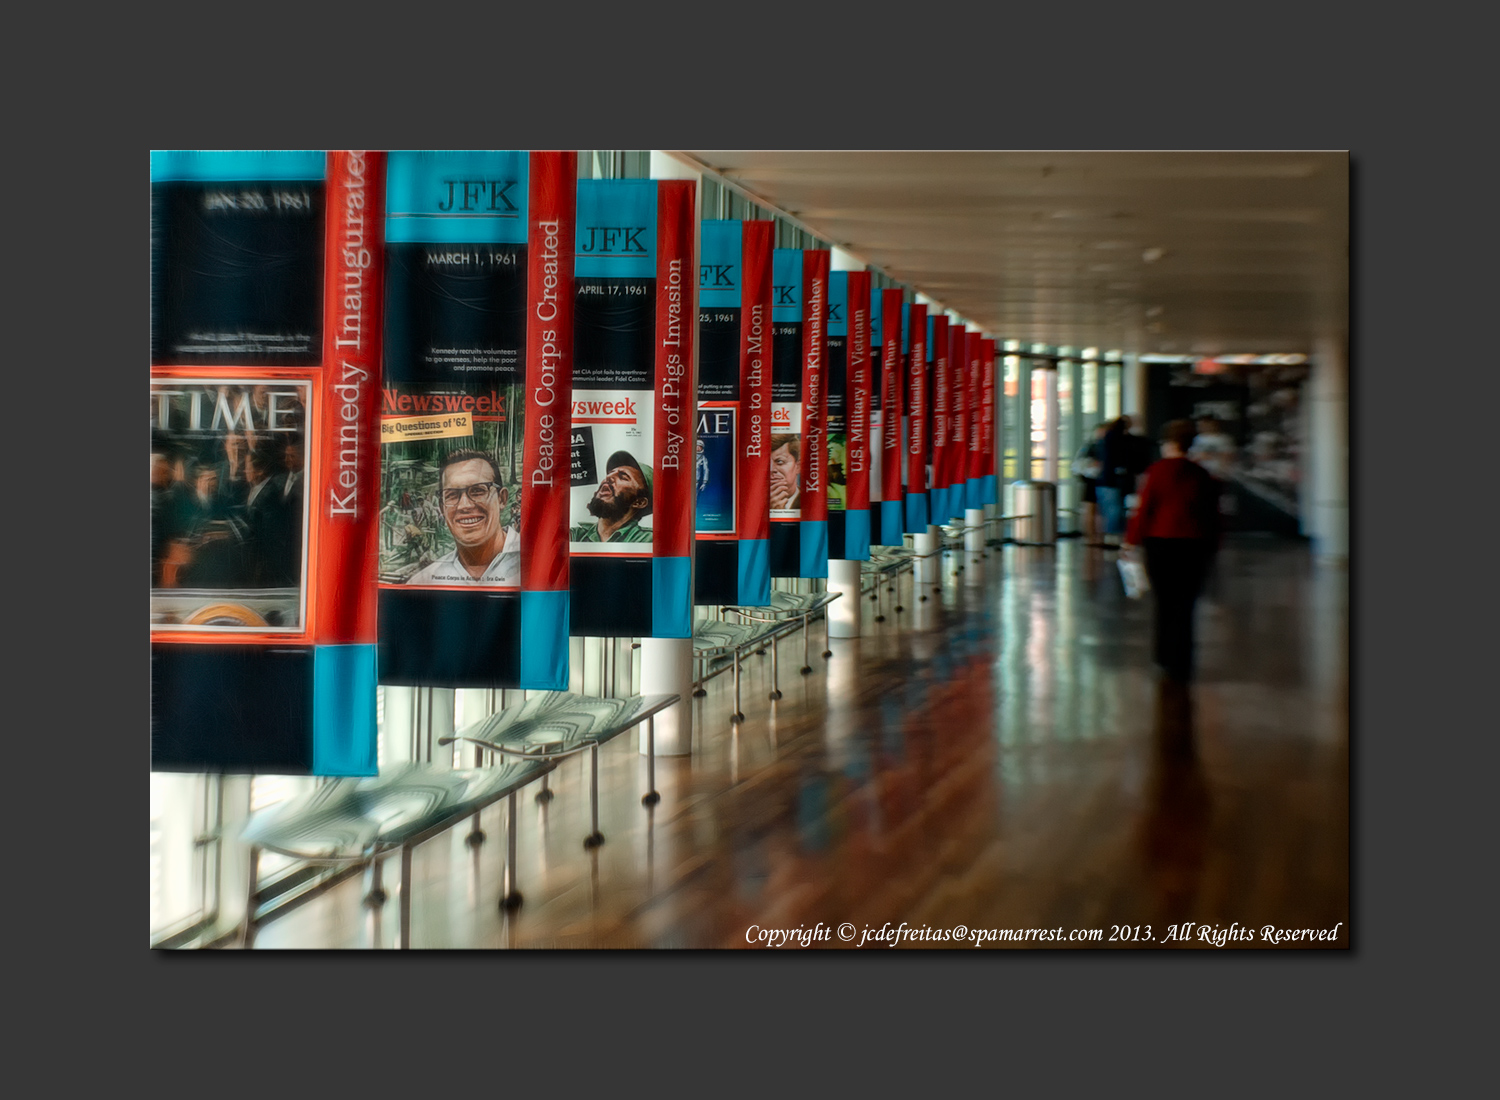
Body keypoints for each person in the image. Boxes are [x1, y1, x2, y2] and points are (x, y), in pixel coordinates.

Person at [1123, 419, 1221, 683]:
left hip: (1160, 544)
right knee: (1186, 604)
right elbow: (1212, 514)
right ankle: (1183, 659)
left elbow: (1144, 510)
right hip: (1194, 546)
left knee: (1165, 603)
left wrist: (1130, 541)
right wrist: (1213, 546)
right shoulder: (1201, 474)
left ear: (1169, 443)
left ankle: (1163, 657)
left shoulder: (1157, 471)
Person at [407, 449, 519, 584]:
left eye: (478, 491)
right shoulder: (424, 582)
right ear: (442, 508)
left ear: (502, 499)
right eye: (452, 495)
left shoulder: (537, 562)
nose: (464, 505)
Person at [570, 450, 653, 544]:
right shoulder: (574, 536)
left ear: (639, 502)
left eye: (623, 477)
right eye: (610, 473)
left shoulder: (649, 540)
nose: (608, 477)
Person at [1074, 422, 1108, 545]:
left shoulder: (1090, 446)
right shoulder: (1096, 447)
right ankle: (1092, 536)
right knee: (1092, 509)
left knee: (1093, 509)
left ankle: (1093, 537)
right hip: (1094, 481)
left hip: (1091, 481)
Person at [769, 433, 802, 510]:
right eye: (765, 464)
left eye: (780, 461)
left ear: (798, 466)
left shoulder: (811, 502)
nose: (771, 469)